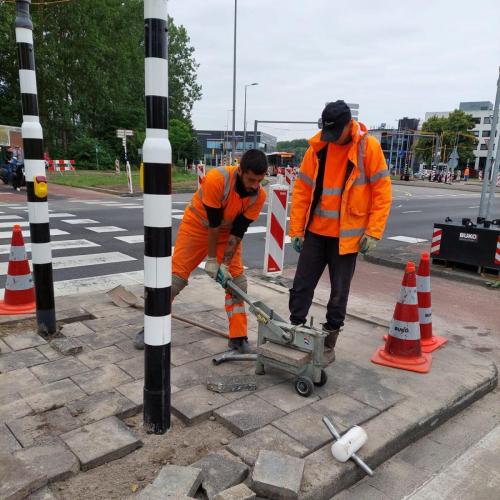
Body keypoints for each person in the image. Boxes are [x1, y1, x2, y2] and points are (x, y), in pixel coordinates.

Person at [288, 100, 392, 362]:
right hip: (316, 232)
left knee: (339, 293)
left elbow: (382, 192)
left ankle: (329, 342)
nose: (332, 139)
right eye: (328, 133)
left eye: (337, 134)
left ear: (350, 125)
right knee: (301, 285)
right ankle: (294, 330)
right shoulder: (318, 148)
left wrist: (373, 232)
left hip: (346, 238)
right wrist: (297, 230)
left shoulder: (368, 148)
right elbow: (302, 191)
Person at [135, 149, 268, 352]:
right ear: (240, 171)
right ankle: (151, 328)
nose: (254, 185)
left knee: (237, 283)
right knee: (173, 280)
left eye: (259, 180)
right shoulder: (218, 179)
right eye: (251, 179)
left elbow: (238, 232)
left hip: (226, 235)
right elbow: (213, 223)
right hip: (196, 227)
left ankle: (238, 337)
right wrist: (212, 260)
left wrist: (224, 265)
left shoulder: (258, 196)